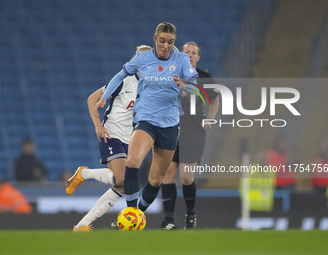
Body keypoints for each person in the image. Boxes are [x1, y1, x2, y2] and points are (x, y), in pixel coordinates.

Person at [95, 22, 198, 213]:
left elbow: (196, 88)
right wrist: (104, 96)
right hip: (146, 121)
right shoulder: (142, 58)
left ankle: (138, 214)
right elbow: (119, 75)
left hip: (170, 125)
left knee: (155, 179)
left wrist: (184, 85)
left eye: (170, 42)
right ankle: (131, 212)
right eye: (162, 41)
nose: (166, 45)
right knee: (132, 162)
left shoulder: (182, 60)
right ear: (154, 39)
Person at [65, 45, 152, 232]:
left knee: (122, 186)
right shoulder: (124, 80)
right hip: (111, 134)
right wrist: (98, 126)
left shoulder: (152, 86)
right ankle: (84, 175)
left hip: (132, 139)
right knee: (123, 180)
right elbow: (92, 99)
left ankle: (81, 225)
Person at [161, 42, 220, 230]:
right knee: (168, 175)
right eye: (187, 52)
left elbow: (216, 99)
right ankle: (169, 220)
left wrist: (210, 119)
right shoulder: (170, 74)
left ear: (198, 57)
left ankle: (191, 215)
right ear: (181, 54)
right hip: (171, 128)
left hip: (194, 130)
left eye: (194, 53)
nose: (191, 55)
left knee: (186, 177)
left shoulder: (204, 77)